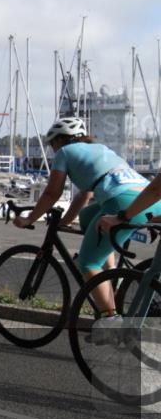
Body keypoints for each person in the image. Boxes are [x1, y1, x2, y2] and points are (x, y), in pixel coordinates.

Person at [13, 117, 159, 340]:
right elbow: (86, 196)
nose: (53, 150)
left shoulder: (65, 153)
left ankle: (110, 320)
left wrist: (30, 219)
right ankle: (109, 278)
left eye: (52, 145)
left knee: (88, 262)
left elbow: (53, 193)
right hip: (147, 199)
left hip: (122, 202)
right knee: (87, 216)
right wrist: (65, 221)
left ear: (60, 140)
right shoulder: (100, 149)